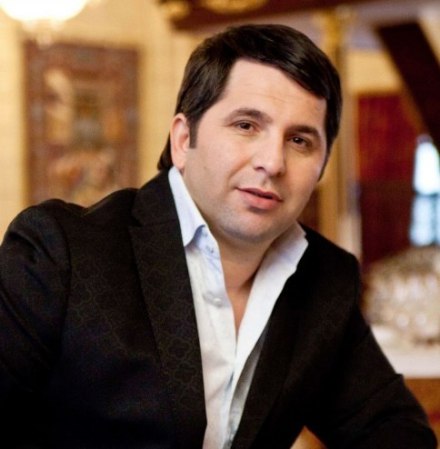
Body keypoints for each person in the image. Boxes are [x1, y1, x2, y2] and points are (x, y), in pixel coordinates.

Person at [0, 24, 436, 449]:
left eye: (300, 140)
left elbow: (395, 429)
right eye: (246, 125)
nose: (273, 162)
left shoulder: (326, 277)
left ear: (321, 167)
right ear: (182, 139)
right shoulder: (60, 251)